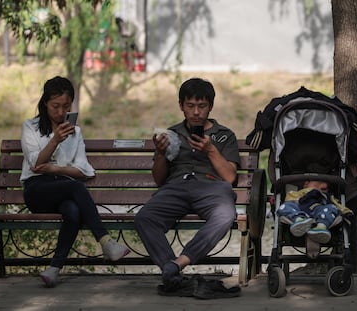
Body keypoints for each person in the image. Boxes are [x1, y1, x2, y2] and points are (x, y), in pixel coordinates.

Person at [134, 77, 241, 297]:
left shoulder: (224, 135)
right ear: (181, 106)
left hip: (212, 187)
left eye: (201, 106)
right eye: (190, 106)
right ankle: (171, 273)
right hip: (176, 187)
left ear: (210, 106)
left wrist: (211, 150)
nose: (196, 112)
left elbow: (230, 177)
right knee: (145, 217)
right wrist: (162, 153)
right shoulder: (170, 135)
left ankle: (178, 263)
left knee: (225, 215)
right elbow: (159, 179)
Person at [20, 76, 130, 288]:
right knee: (73, 186)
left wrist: (56, 168)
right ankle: (106, 241)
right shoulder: (30, 127)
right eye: (55, 106)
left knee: (73, 211)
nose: (61, 112)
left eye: (66, 107)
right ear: (45, 103)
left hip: (63, 188)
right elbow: (36, 164)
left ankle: (53, 269)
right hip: (37, 190)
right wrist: (54, 141)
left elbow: (83, 170)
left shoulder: (75, 132)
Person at [276, 180, 352, 244]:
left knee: (332, 207)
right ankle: (299, 220)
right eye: (318, 182)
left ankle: (321, 227)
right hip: (300, 211)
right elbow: (290, 201)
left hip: (320, 210)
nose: (324, 185)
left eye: (326, 185)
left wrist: (346, 212)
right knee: (286, 206)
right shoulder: (297, 193)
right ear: (306, 184)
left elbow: (338, 205)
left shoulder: (327, 196)